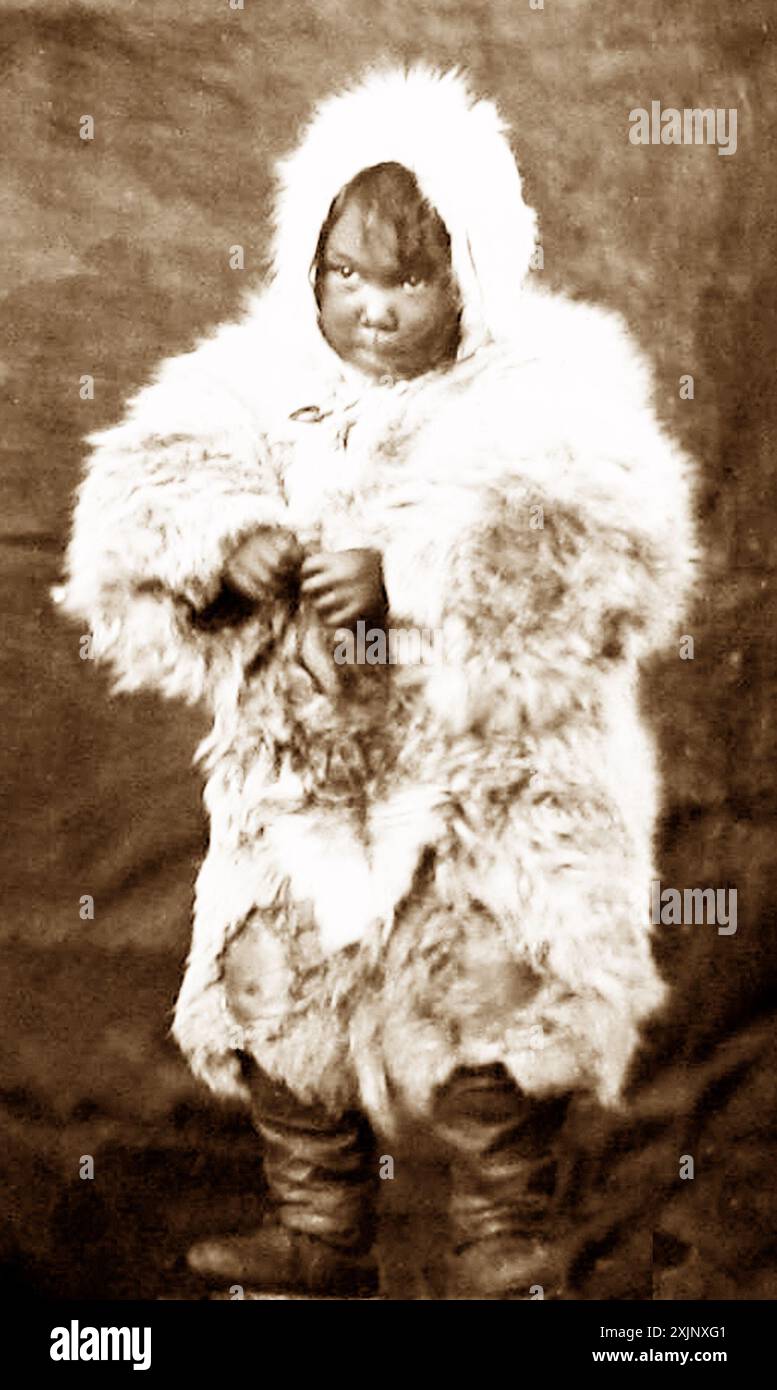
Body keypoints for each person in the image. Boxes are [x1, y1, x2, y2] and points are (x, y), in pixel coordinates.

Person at [54, 63, 697, 1299]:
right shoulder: (256, 383)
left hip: (480, 792)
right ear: (307, 268)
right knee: (278, 996)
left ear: (476, 273)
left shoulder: (548, 393)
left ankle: (501, 1251)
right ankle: (318, 1232)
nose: (376, 308)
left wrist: (411, 570)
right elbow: (138, 501)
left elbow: (618, 550)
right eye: (347, 275)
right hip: (308, 784)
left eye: (410, 279)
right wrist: (221, 542)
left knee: (490, 1013)